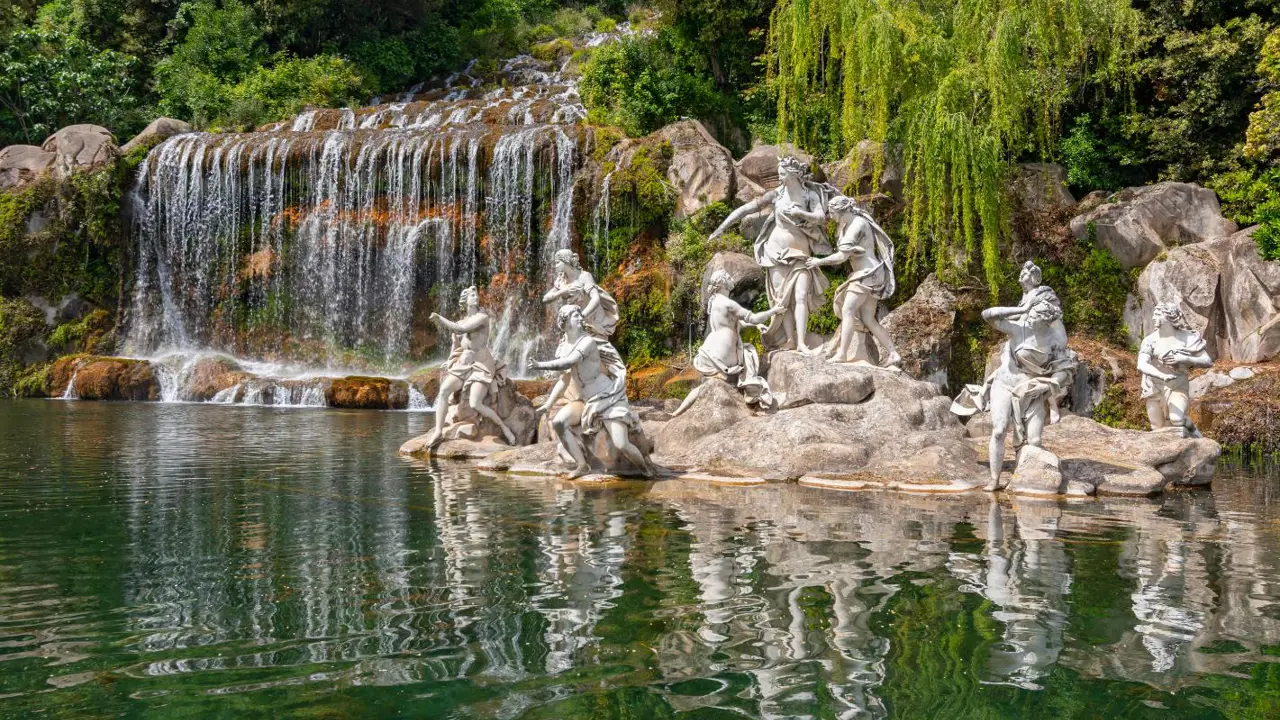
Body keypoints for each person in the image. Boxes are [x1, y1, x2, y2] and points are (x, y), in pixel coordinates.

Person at [708, 156, 832, 352]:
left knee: (801, 296)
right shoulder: (776, 195)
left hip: (800, 253)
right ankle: (790, 339)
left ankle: (801, 342)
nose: (779, 173)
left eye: (782, 170)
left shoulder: (809, 196)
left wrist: (802, 214)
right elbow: (746, 209)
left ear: (794, 173)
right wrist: (721, 228)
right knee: (783, 300)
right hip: (775, 253)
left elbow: (819, 217)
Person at [530, 305, 655, 479]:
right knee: (559, 422)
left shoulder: (587, 342)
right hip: (586, 401)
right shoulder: (564, 346)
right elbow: (564, 379)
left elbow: (568, 362)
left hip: (607, 398)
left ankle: (646, 470)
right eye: (576, 315)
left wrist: (539, 365)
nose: (581, 318)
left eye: (580, 314)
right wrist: (548, 404)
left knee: (621, 443)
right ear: (565, 321)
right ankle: (582, 465)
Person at [672, 270, 785, 416]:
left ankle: (678, 411)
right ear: (722, 283)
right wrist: (774, 311)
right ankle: (753, 393)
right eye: (728, 276)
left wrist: (755, 326)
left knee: (707, 384)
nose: (732, 278)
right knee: (749, 351)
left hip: (710, 349)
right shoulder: (727, 303)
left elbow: (731, 324)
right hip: (725, 352)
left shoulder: (714, 302)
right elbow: (754, 317)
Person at [806, 194, 901, 366]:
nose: (830, 216)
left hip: (867, 273)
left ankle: (842, 354)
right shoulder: (848, 223)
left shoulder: (857, 224)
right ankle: (893, 353)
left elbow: (842, 257)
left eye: (832, 212)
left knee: (847, 309)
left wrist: (819, 261)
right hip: (870, 273)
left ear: (841, 211)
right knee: (867, 318)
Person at [422, 286, 516, 449]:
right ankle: (438, 431)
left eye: (476, 295)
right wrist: (450, 359)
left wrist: (439, 318)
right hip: (464, 365)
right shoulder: (460, 321)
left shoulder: (482, 317)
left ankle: (504, 428)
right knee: (444, 391)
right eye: (472, 295)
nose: (476, 297)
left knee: (475, 403)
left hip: (482, 365)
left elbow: (462, 329)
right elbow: (457, 343)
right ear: (465, 301)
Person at [1136, 302, 1212, 437]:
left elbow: (1207, 361)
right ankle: (1165, 454)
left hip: (1177, 385)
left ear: (1170, 316)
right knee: (1156, 427)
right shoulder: (1150, 340)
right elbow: (1141, 364)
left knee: (1177, 419)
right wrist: (1161, 375)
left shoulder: (1188, 337)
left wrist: (1184, 359)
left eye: (1158, 314)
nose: (1153, 317)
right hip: (1154, 387)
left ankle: (1194, 432)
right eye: (1154, 314)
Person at [542, 248, 618, 339]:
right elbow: (545, 299)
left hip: (593, 319)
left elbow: (595, 298)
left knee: (594, 349)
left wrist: (582, 316)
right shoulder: (561, 280)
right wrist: (562, 291)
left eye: (557, 262)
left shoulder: (584, 276)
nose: (555, 266)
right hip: (576, 321)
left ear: (566, 261)